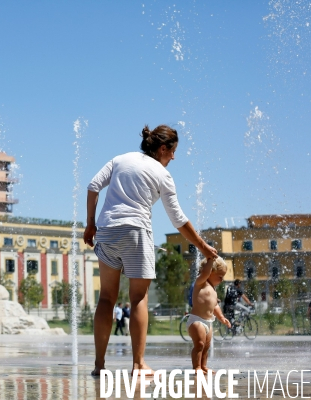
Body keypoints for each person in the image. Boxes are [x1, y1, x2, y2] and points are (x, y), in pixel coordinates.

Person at [84, 124, 218, 376]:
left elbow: (93, 186)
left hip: (108, 229)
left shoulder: (120, 159)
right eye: (173, 152)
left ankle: (99, 365)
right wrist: (203, 246)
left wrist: (90, 225)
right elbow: (178, 219)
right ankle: (138, 364)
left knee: (106, 298)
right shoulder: (162, 173)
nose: (174, 158)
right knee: (138, 299)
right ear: (163, 148)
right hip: (135, 231)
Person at [187, 257, 231, 373]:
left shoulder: (213, 289)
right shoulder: (201, 282)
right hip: (196, 321)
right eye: (220, 277)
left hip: (208, 322)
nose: (222, 280)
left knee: (206, 346)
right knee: (199, 344)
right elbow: (205, 272)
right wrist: (211, 260)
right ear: (210, 272)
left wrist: (221, 317)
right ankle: (196, 367)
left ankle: (203, 366)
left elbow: (215, 306)